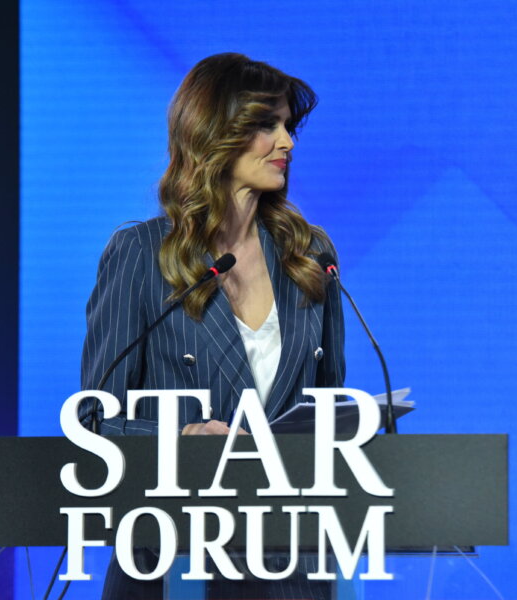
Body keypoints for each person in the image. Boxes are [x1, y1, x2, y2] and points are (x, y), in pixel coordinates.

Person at [80, 53, 345, 599]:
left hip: (291, 569)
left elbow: (329, 407)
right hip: (175, 562)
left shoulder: (309, 255)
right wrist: (180, 441)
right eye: (267, 125)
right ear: (215, 133)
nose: (287, 142)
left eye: (288, 126)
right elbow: (94, 421)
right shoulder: (141, 255)